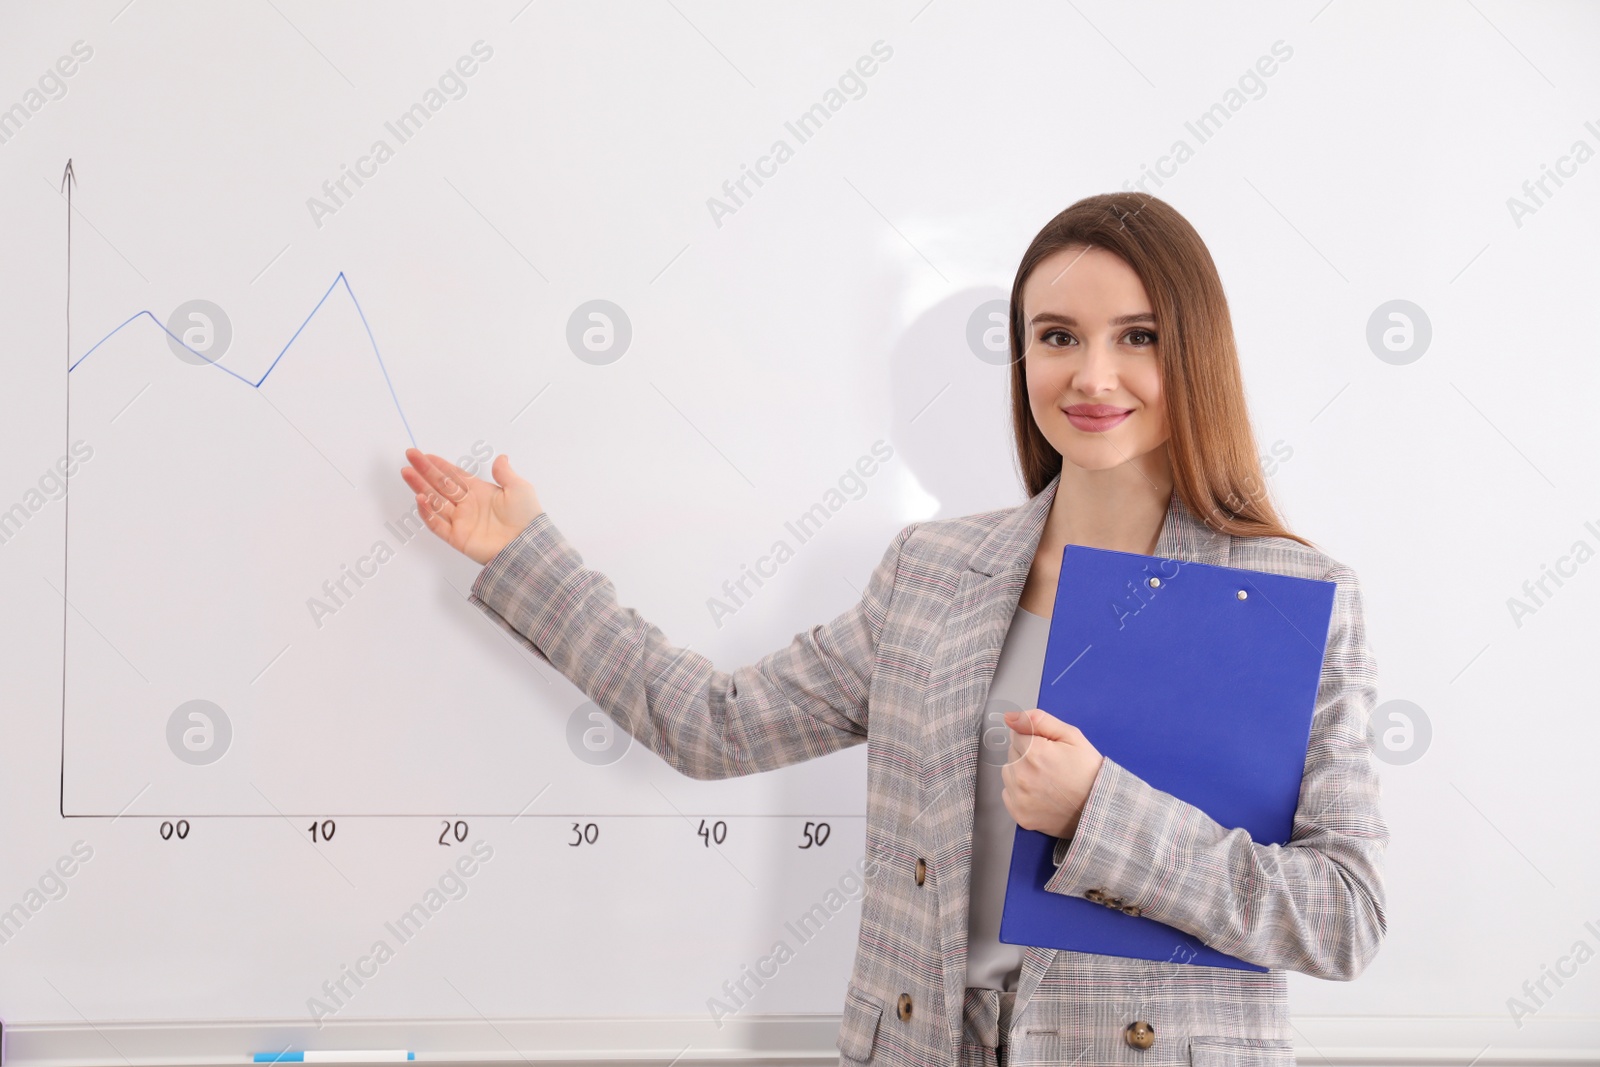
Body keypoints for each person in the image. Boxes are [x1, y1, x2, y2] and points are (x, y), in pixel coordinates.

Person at [399, 191, 1388, 1067]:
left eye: (1137, 336)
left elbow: (1342, 913)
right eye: (1055, 336)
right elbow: (712, 721)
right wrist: (526, 555)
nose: (1092, 374)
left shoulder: (1293, 594)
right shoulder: (933, 572)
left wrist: (1101, 810)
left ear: (1194, 351)